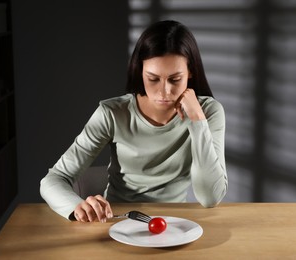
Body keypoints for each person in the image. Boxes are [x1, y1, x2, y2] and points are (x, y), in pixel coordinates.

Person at [40, 20, 228, 222]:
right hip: (117, 221)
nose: (164, 92)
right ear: (140, 71)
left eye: (175, 79)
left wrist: (197, 121)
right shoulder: (112, 113)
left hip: (174, 223)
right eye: (153, 79)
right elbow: (54, 179)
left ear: (190, 72)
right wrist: (77, 207)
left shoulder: (208, 112)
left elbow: (210, 197)